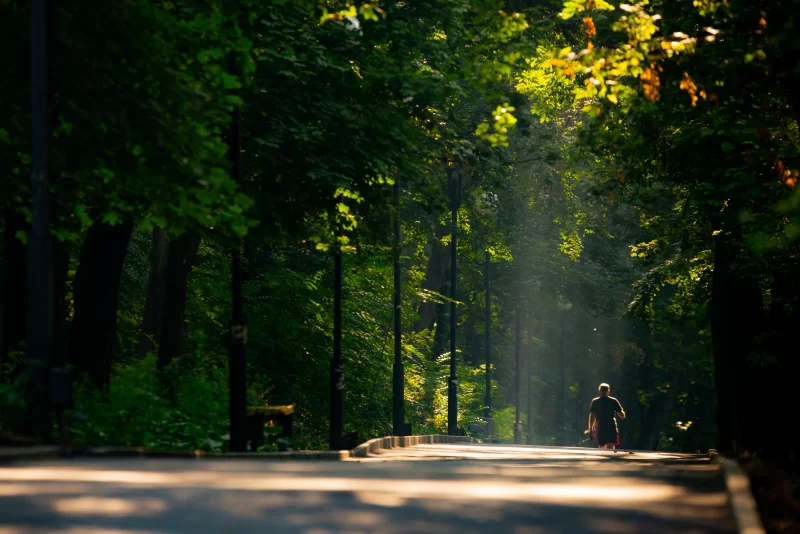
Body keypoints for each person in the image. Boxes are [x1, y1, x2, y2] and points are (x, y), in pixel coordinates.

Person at [587, 383, 625, 450]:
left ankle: (603, 459)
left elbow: (592, 416)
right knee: (610, 444)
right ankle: (611, 458)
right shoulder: (613, 401)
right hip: (611, 426)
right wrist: (622, 413)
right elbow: (622, 415)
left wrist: (591, 428)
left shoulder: (595, 401)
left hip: (600, 426)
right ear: (608, 391)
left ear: (599, 391)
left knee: (601, 445)